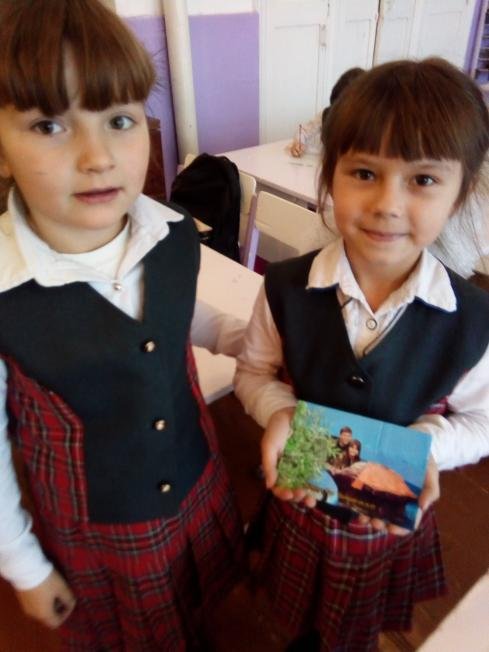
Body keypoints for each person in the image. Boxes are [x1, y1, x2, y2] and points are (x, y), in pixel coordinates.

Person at [0, 1, 245, 650]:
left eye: (119, 120)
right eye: (49, 124)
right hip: (99, 525)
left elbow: (175, 313)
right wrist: (24, 566)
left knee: (198, 606)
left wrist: (246, 341)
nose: (97, 157)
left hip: (195, 472)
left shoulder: (173, 232)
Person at [235, 57, 489, 651]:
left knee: (358, 626)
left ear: (460, 193)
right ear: (330, 176)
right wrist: (281, 413)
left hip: (386, 520)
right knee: (300, 612)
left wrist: (425, 446)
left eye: (422, 180)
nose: (387, 204)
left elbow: (481, 422)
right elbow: (254, 372)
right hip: (303, 504)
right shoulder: (287, 287)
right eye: (365, 173)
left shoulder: (472, 320)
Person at [289, 67, 364, 157]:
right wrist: (298, 143)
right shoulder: (326, 115)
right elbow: (304, 131)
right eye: (339, 109)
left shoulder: (371, 126)